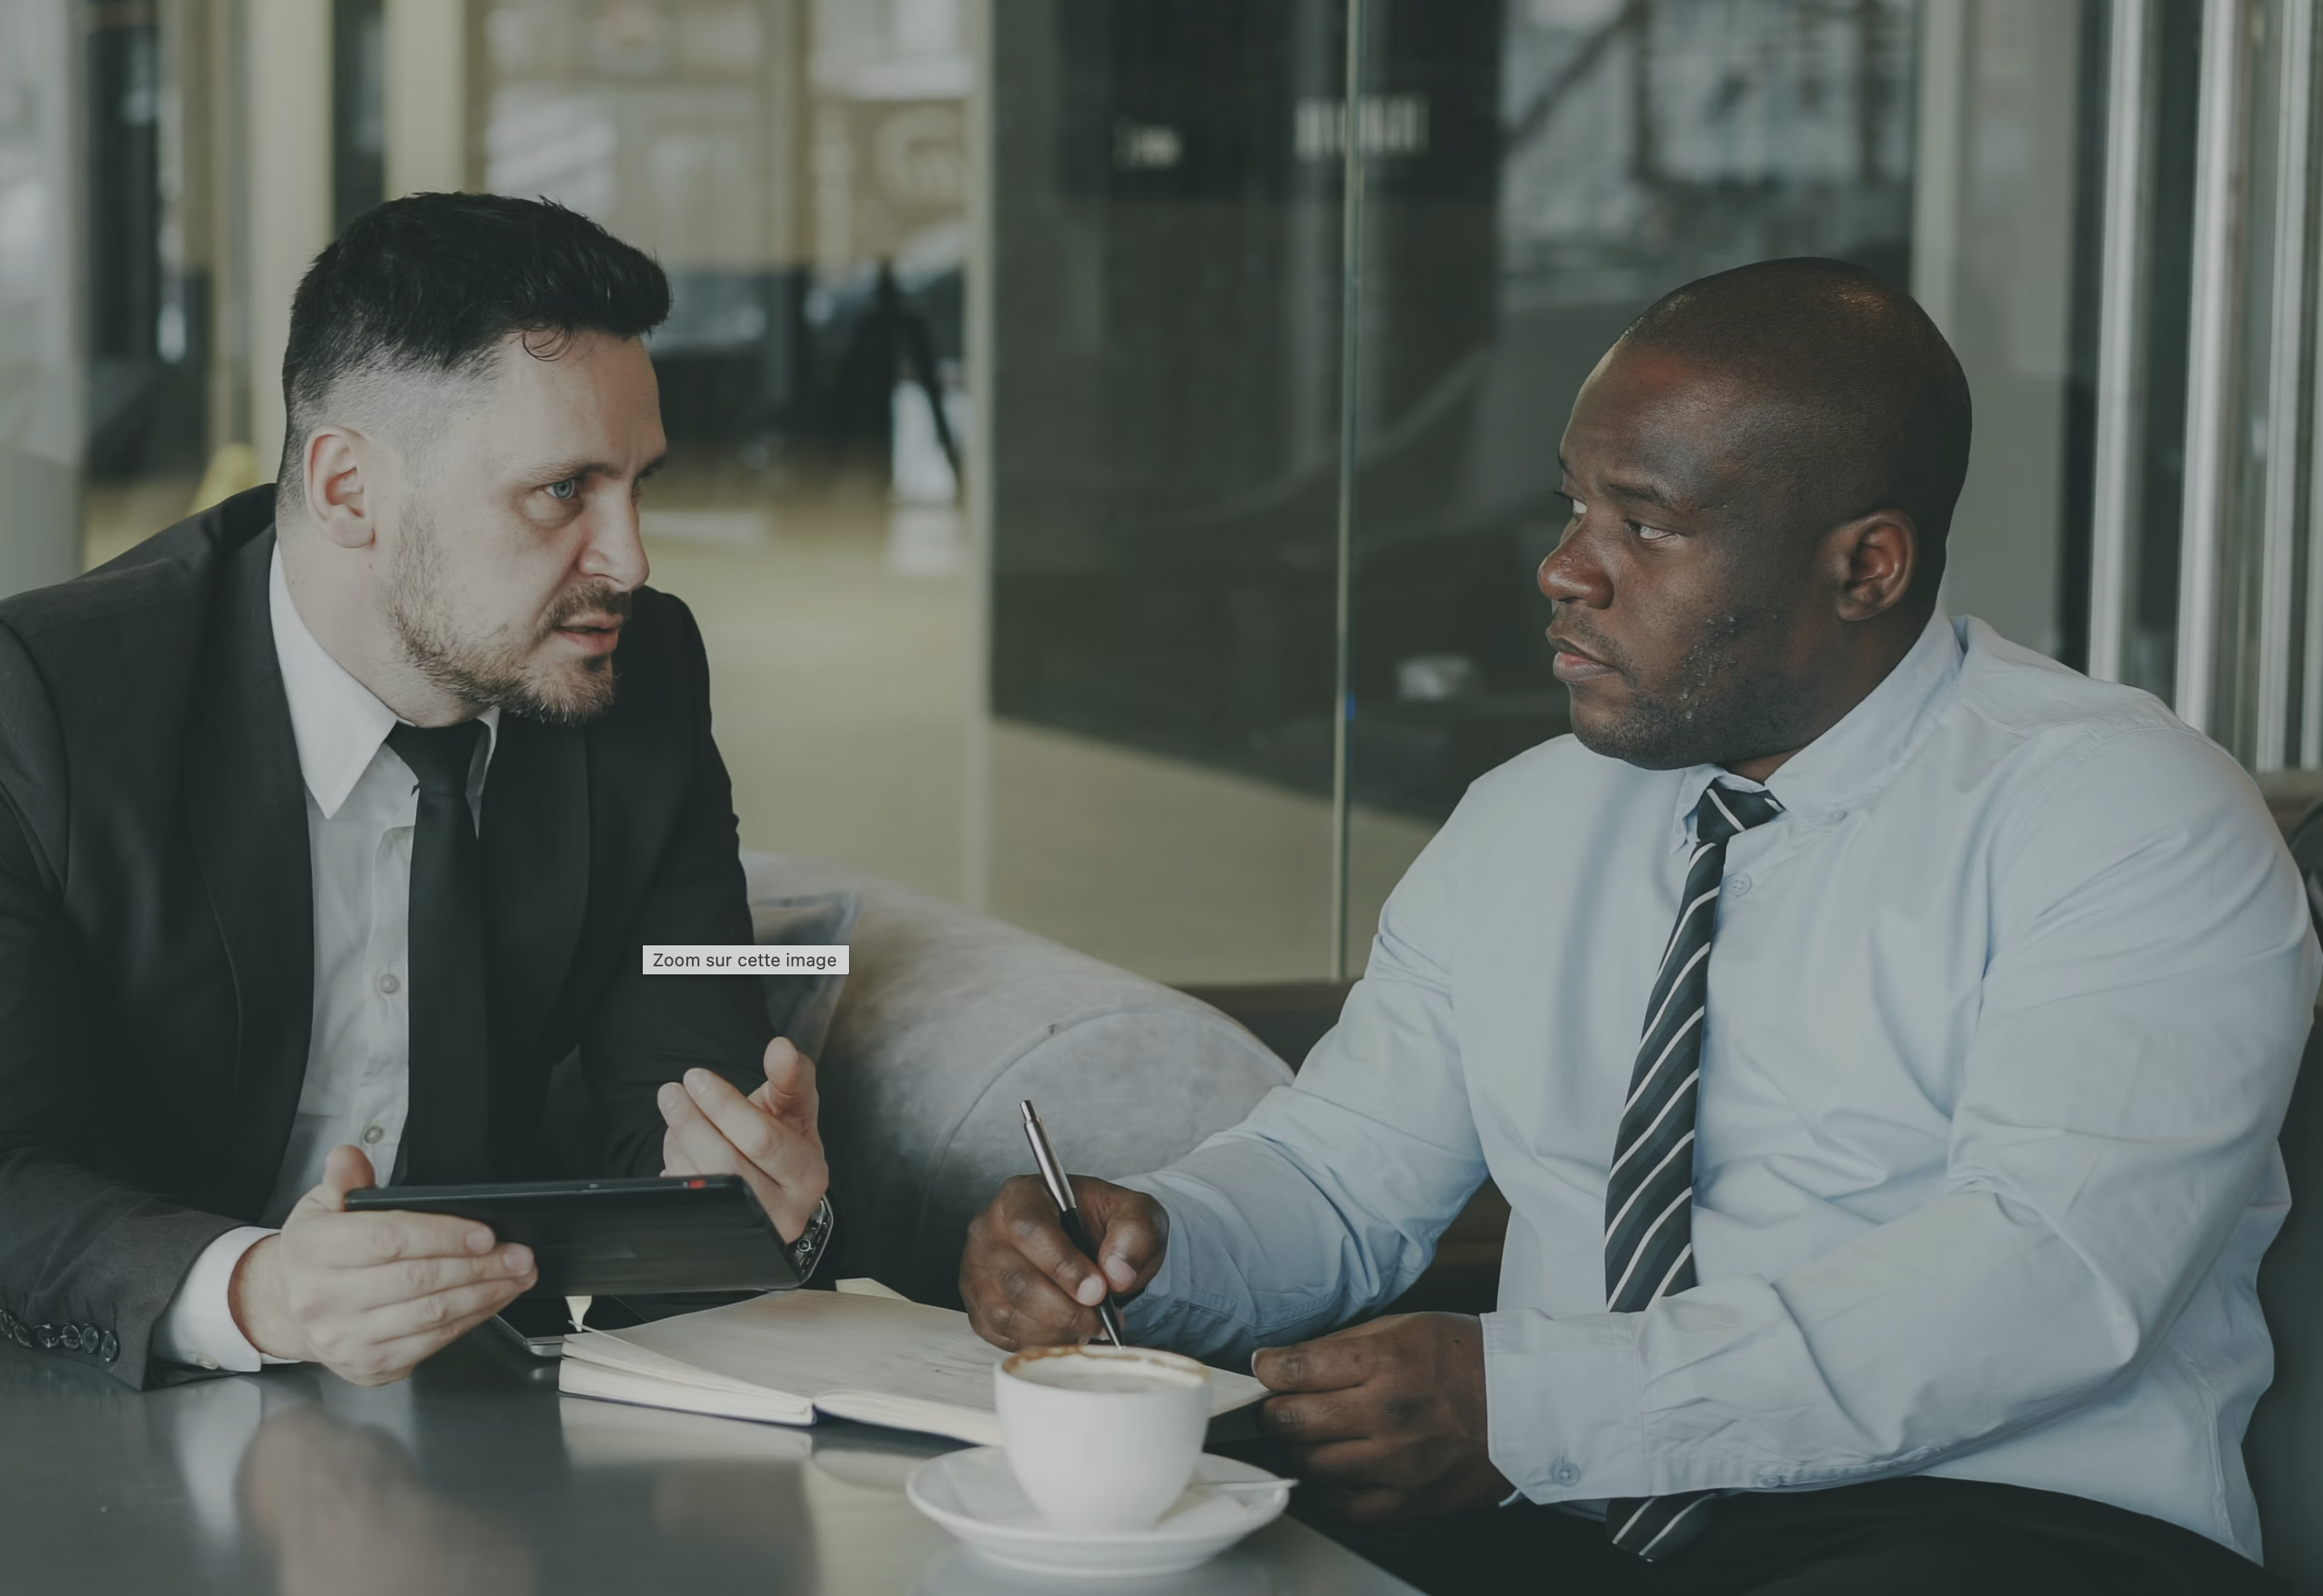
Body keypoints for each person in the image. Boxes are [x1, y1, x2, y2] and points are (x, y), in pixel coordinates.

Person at [959, 258, 2317, 1594]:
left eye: (1645, 525)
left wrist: (1537, 1405)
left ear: (1866, 566)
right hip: (1575, 1505)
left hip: (2001, 1525)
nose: (1563, 571)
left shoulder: (2120, 813)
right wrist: (1149, 1246)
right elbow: (1338, 1177)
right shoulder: (1528, 816)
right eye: (1570, 509)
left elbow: (2047, 1278)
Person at [0, 192, 830, 1389]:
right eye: (563, 491)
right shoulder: (23, 703)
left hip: (456, 1422)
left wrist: (756, 1197)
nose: (630, 559)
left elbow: (676, 1092)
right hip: (10, 1401)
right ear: (349, 490)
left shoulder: (635, 679)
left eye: (637, 486)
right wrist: (255, 1293)